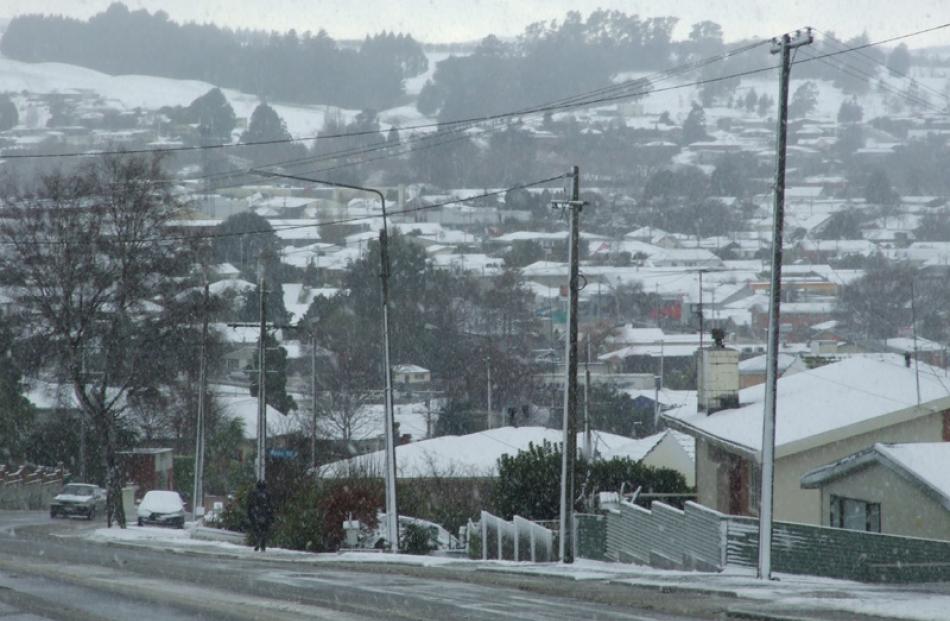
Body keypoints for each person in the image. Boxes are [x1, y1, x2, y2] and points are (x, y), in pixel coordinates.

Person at [247, 480, 273, 552]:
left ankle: (258, 540)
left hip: (256, 514)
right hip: (265, 514)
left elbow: (250, 505)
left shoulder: (254, 493)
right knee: (264, 530)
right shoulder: (267, 494)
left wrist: (250, 514)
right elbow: (271, 505)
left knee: (257, 529)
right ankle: (262, 545)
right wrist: (270, 515)